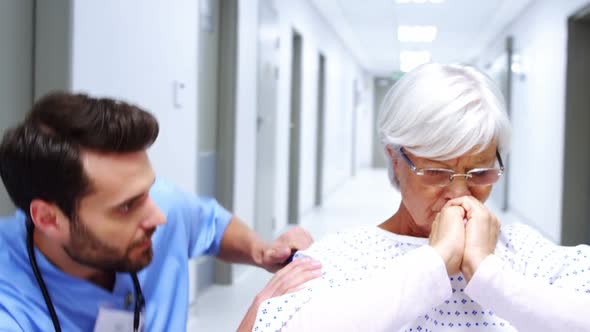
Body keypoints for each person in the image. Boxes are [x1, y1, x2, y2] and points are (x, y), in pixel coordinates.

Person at [253, 63, 590, 331]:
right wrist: (435, 261)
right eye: (437, 173)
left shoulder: (526, 253)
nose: (459, 195)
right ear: (395, 159)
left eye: (480, 173)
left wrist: (489, 275)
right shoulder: (343, 257)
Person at [0, 93, 321, 332]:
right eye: (126, 206)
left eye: (148, 191)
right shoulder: (11, 311)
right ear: (48, 219)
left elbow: (211, 224)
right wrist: (259, 322)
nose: (158, 217)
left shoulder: (161, 204)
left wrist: (260, 250)